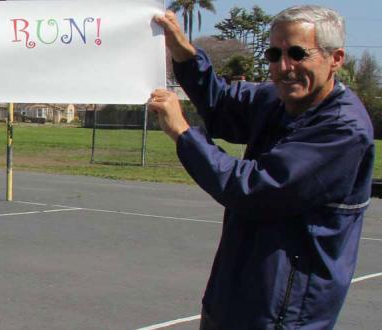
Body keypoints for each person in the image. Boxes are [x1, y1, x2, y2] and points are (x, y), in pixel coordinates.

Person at [148, 6, 373, 328]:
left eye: (298, 54)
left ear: (335, 58)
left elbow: (255, 189)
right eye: (274, 54)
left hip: (283, 311)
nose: (284, 67)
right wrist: (184, 54)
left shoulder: (342, 129)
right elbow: (222, 102)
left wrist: (183, 133)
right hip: (233, 297)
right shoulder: (278, 102)